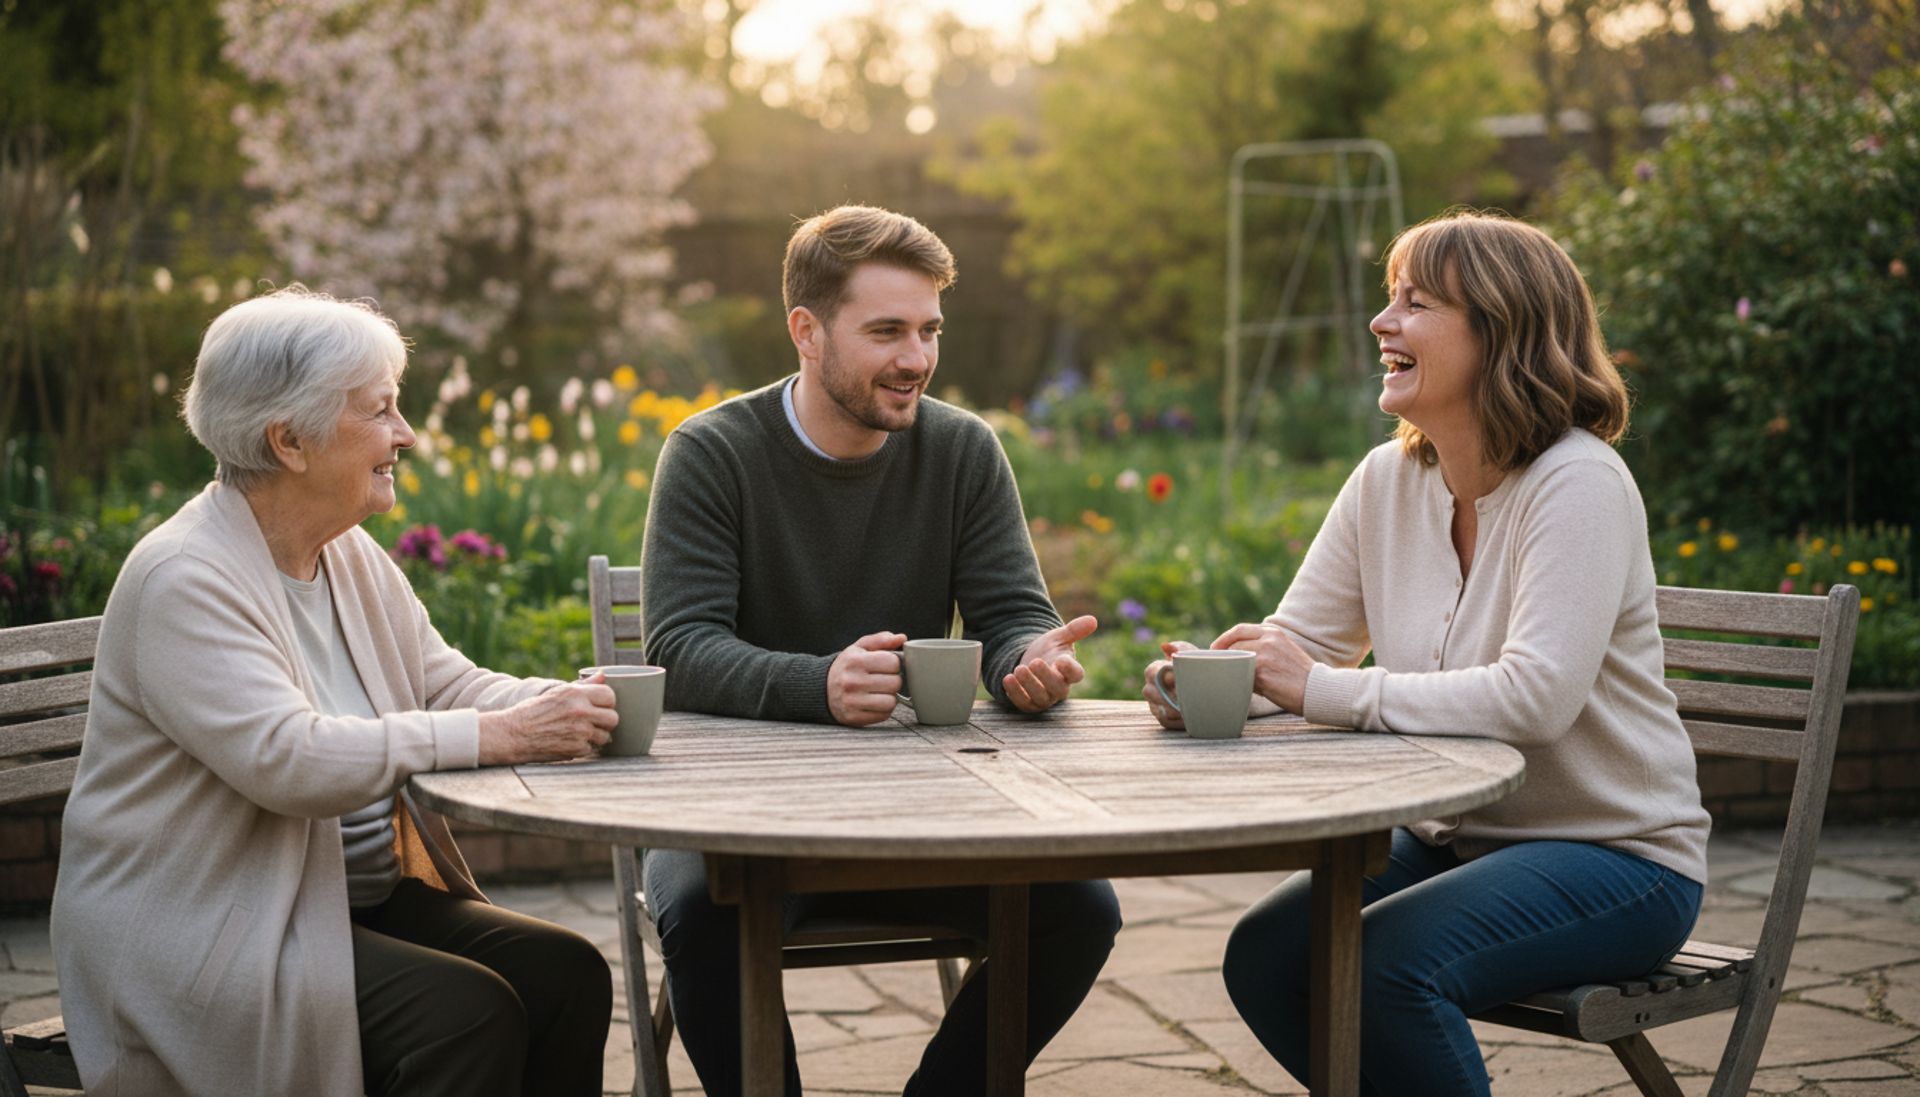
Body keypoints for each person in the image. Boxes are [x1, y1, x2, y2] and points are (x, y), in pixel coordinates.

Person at [1150, 211, 1711, 1097]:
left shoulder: (1578, 481)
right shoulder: (1387, 480)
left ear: (1501, 330)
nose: (1383, 322)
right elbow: (1299, 653)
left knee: (1386, 969)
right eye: (1388, 299)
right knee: (1268, 957)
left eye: (1417, 303)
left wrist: (1320, 686)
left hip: (1616, 858)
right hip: (1460, 843)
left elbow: (1536, 699)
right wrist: (1211, 685)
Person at [50, 288, 618, 1097]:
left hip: (337, 899)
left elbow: (446, 681)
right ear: (290, 440)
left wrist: (574, 704)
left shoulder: (345, 553)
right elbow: (290, 759)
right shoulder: (185, 578)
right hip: (207, 924)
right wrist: (505, 735)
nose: (406, 435)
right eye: (380, 411)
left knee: (565, 973)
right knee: (465, 1012)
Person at [639, 204, 1121, 1097]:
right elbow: (677, 646)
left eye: (930, 330)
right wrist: (814, 683)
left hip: (919, 810)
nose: (917, 358)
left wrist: (1029, 662)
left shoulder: (963, 449)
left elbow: (1014, 612)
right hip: (739, 813)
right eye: (888, 331)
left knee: (1076, 908)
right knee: (708, 913)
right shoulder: (712, 452)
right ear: (807, 331)